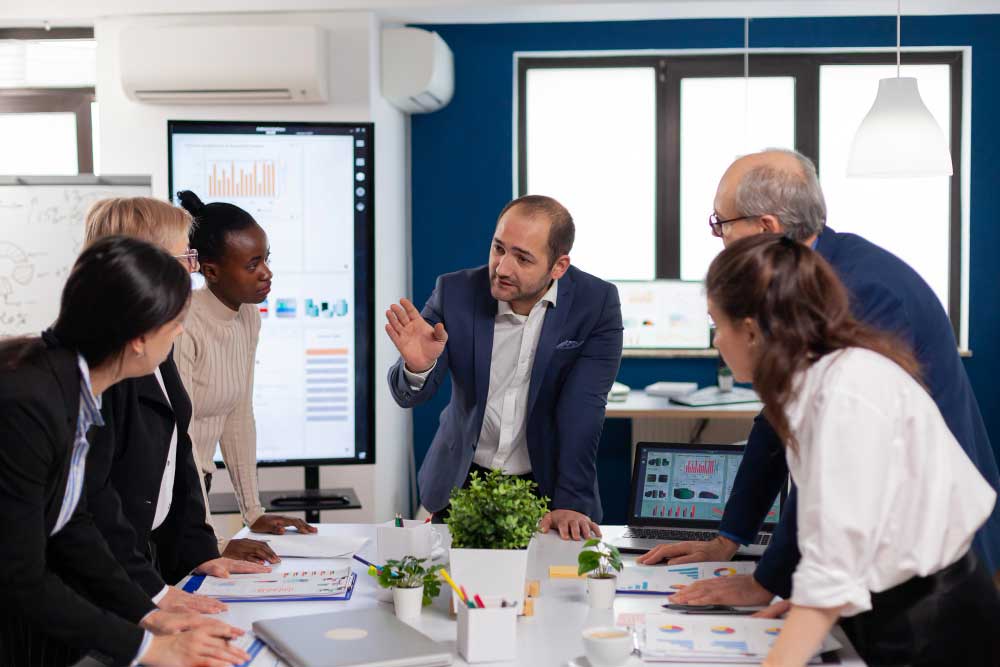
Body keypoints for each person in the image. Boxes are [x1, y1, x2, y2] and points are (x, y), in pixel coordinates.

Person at [638, 148, 1000, 609]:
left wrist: (770, 580)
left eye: (721, 223)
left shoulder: (856, 292)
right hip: (875, 552)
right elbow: (778, 422)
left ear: (766, 228)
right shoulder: (807, 279)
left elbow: (832, 466)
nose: (718, 237)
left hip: (929, 555)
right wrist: (730, 539)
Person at [703, 233, 999, 666]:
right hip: (885, 598)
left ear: (749, 331)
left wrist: (814, 609)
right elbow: (841, 529)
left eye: (717, 324)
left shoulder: (846, 394)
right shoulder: (816, 380)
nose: (715, 342)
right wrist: (814, 602)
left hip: (930, 620)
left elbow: (833, 564)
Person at [0, 236, 250, 667]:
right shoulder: (30, 403)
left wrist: (148, 614)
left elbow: (72, 522)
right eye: (175, 325)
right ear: (138, 339)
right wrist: (148, 648)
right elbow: (19, 576)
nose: (178, 335)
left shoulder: (68, 388)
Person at [385, 195, 623, 539]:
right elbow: (406, 396)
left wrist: (571, 499)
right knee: (453, 589)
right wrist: (418, 366)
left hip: (546, 488)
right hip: (462, 480)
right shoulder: (455, 292)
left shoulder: (595, 303)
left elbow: (583, 410)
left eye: (523, 258)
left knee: (550, 589)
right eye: (499, 249)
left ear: (558, 267)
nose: (502, 267)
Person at [82, 197, 271, 616]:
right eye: (184, 256)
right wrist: (154, 596)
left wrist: (199, 553)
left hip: (140, 563)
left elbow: (176, 454)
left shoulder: (157, 341)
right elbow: (97, 505)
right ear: (138, 265)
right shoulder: (103, 367)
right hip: (102, 586)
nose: (193, 269)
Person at [176, 190, 316, 564]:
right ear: (211, 270)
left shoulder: (247, 317)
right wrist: (214, 542)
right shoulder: (183, 324)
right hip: (173, 500)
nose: (266, 272)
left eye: (266, 259)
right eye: (252, 264)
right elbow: (178, 443)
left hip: (197, 490)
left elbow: (237, 416)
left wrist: (253, 513)